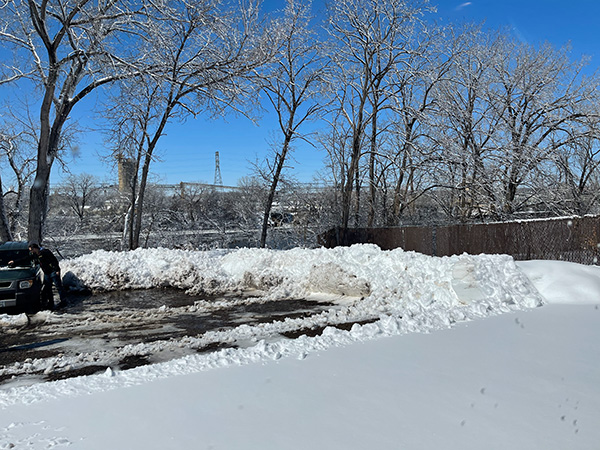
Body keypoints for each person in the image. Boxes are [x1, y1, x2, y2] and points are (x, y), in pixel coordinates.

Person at [9, 242, 67, 310]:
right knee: (48, 288)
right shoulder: (35, 255)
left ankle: (63, 301)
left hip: (53, 272)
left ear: (35, 248)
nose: (31, 251)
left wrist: (57, 270)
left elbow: (54, 260)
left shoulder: (45, 252)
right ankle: (51, 303)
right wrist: (15, 262)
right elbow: (26, 258)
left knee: (58, 287)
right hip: (46, 273)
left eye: (31, 250)